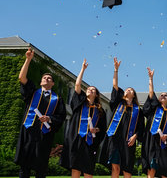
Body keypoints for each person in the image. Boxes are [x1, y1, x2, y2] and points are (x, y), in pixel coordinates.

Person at [14, 48, 67, 178]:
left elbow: (61, 116)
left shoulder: (57, 99)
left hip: (45, 134)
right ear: (40, 81)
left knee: (41, 167)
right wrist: (28, 60)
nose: (46, 79)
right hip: (29, 130)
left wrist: (49, 118)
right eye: (44, 77)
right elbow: (22, 77)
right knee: (24, 166)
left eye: (49, 78)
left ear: (53, 83)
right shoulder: (33, 92)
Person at [60, 59, 107, 177]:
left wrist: (96, 130)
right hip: (77, 139)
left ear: (96, 94)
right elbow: (77, 85)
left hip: (90, 142)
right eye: (88, 89)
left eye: (93, 90)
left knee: (88, 169)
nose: (90, 90)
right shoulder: (79, 103)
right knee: (75, 168)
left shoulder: (100, 110)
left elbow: (103, 128)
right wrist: (82, 69)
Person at [103, 57, 144, 178]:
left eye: (130, 89)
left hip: (129, 141)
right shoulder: (118, 104)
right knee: (115, 166)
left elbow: (141, 127)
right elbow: (115, 85)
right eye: (127, 89)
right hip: (116, 138)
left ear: (134, 94)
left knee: (127, 168)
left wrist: (135, 136)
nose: (128, 90)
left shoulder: (137, 110)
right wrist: (116, 70)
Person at [142, 66, 167, 178]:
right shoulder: (154, 109)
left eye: (165, 95)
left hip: (165, 144)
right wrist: (151, 79)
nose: (163, 96)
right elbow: (151, 93)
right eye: (161, 95)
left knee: (164, 170)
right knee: (152, 168)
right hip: (152, 142)